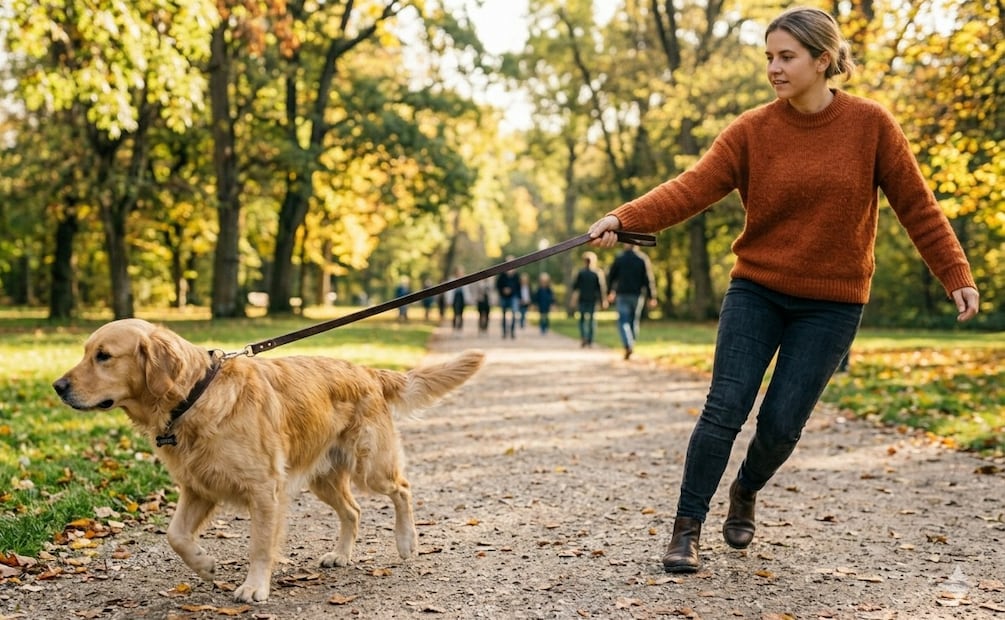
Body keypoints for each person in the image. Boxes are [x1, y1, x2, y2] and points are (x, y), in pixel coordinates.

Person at [587, 6, 979, 575]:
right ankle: (686, 529)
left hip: (833, 302)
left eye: (786, 56)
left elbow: (917, 206)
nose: (773, 67)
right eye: (768, 56)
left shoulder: (871, 125)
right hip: (758, 290)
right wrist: (622, 218)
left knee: (781, 424)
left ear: (823, 61)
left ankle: (745, 490)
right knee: (724, 407)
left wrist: (956, 273)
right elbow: (692, 187)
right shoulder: (752, 130)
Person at [607, 243, 657, 360]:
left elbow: (611, 276)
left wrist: (610, 291)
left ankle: (628, 344)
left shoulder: (620, 258)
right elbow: (648, 279)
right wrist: (652, 296)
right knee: (634, 321)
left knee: (623, 321)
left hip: (622, 294)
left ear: (626, 244)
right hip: (636, 295)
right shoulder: (642, 259)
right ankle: (631, 344)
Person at [570, 252, 607, 347]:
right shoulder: (596, 273)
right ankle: (589, 340)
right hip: (592, 300)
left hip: (583, 299)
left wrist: (573, 300)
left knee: (583, 320)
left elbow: (575, 288)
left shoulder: (581, 273)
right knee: (591, 320)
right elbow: (601, 289)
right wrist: (603, 301)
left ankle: (584, 338)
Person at [495, 259, 521, 339]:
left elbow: (518, 287)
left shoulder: (516, 275)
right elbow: (498, 285)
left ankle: (512, 331)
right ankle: (504, 332)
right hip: (504, 297)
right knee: (503, 315)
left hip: (513, 297)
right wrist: (503, 290)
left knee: (514, 313)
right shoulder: (502, 275)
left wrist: (512, 291)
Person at [449, 266, 473, 331]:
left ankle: (460, 328)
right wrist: (449, 300)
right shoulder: (452, 279)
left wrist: (468, 300)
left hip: (462, 298)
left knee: (461, 314)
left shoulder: (464, 279)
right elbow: (449, 292)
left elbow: (467, 291)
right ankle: (454, 328)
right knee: (455, 313)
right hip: (455, 298)